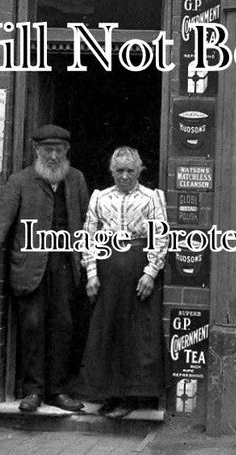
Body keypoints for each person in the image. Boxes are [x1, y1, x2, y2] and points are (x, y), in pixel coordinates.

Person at [0, 124, 90, 413]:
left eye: (59, 150)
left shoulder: (76, 179)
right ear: (37, 150)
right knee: (32, 326)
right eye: (48, 150)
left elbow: (89, 224)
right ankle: (33, 391)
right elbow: (1, 223)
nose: (53, 156)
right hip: (29, 267)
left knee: (63, 327)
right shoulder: (20, 181)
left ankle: (58, 391)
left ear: (67, 151)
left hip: (65, 266)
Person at [79, 146, 169, 419]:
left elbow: (160, 236)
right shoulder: (100, 197)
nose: (125, 176)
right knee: (108, 331)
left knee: (135, 332)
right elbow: (88, 236)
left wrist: (150, 272)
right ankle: (110, 395)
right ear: (112, 171)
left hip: (137, 270)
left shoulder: (152, 197)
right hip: (107, 272)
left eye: (130, 170)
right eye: (120, 171)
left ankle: (131, 397)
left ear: (139, 170)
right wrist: (91, 272)